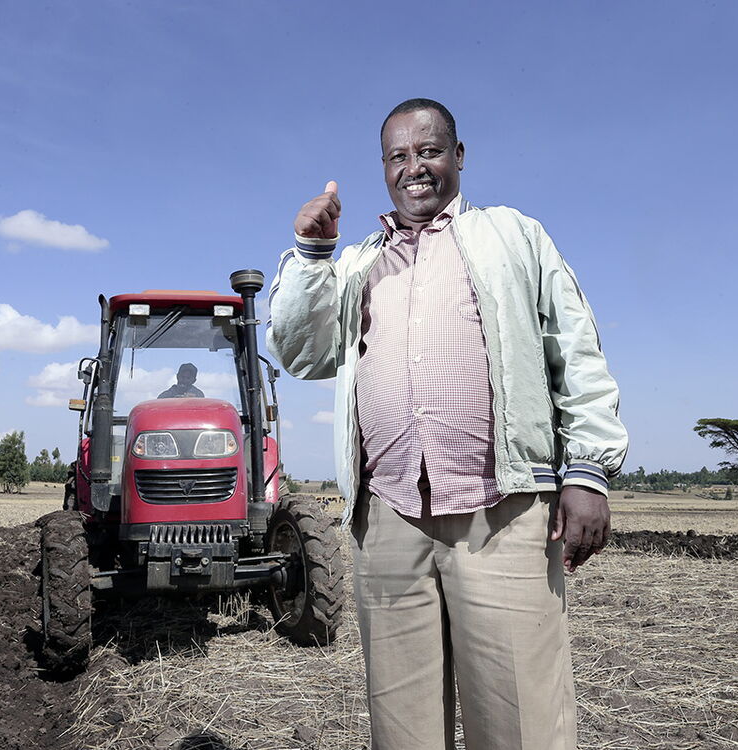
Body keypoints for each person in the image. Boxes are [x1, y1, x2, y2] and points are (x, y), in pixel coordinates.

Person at [266, 99, 628, 750]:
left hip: (504, 508)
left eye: (429, 151)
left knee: (521, 719)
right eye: (399, 156)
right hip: (387, 519)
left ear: (458, 157)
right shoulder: (355, 265)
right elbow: (301, 352)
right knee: (402, 725)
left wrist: (589, 471)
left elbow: (575, 349)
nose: (415, 168)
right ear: (384, 169)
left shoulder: (513, 236)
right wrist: (312, 256)